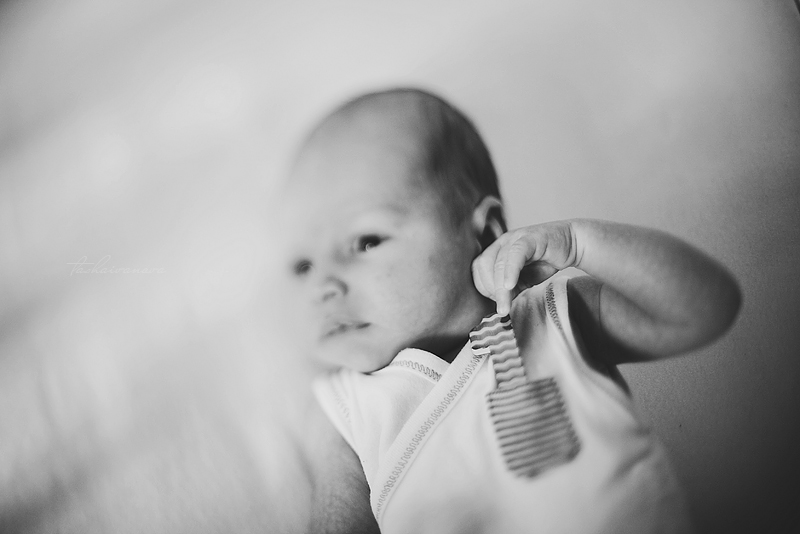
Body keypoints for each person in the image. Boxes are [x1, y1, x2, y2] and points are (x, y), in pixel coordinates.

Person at [279, 88, 741, 534]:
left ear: (485, 233)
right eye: (303, 265)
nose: (323, 286)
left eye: (365, 241)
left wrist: (579, 243)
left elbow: (705, 310)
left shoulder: (556, 318)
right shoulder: (345, 406)